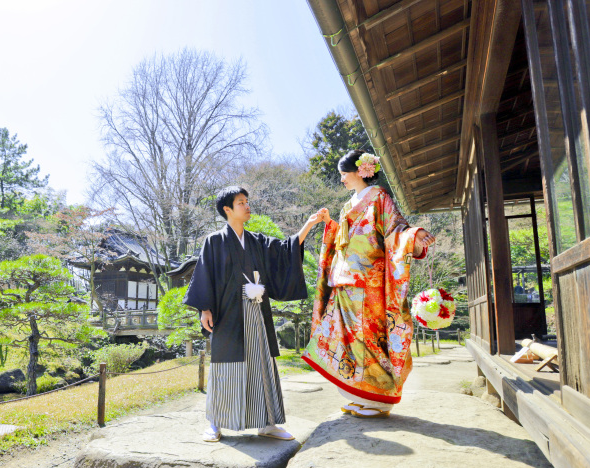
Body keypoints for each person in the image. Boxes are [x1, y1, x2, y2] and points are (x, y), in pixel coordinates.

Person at [184, 186, 326, 442]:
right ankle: (216, 423)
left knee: (262, 363)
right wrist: (204, 308)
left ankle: (267, 422)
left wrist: (309, 224)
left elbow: (286, 249)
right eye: (241, 202)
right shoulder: (214, 241)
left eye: (247, 201)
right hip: (226, 312)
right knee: (226, 366)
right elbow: (205, 275)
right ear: (227, 209)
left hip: (256, 309)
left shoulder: (256, 241)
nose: (247, 206)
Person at [303, 151, 435, 418]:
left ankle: (380, 398)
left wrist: (414, 233)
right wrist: (329, 224)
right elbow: (344, 239)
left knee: (369, 339)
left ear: (360, 171)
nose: (342, 179)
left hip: (369, 282)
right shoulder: (348, 205)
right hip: (344, 281)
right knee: (348, 341)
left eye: (344, 174)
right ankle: (360, 395)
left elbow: (395, 229)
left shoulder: (379, 196)